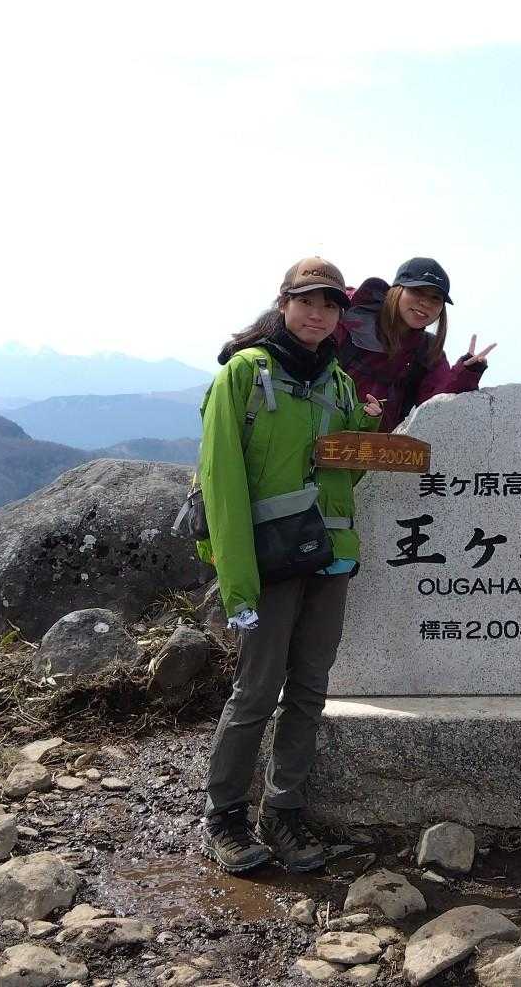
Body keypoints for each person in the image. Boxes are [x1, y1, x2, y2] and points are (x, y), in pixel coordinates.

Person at [194, 256, 381, 875]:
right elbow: (221, 481)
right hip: (269, 558)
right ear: (283, 304)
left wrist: (367, 428)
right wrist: (237, 584)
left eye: (329, 306)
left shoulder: (340, 383)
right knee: (256, 689)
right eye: (307, 302)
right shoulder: (245, 374)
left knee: (309, 689)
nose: (317, 315)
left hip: (330, 558)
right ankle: (225, 816)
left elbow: (346, 475)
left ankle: (284, 811)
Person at [335, 257, 493, 431]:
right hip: (320, 432)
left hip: (375, 445)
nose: (425, 303)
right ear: (397, 290)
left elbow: (434, 406)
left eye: (435, 298)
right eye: (417, 291)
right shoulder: (347, 317)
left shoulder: (428, 351)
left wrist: (466, 373)